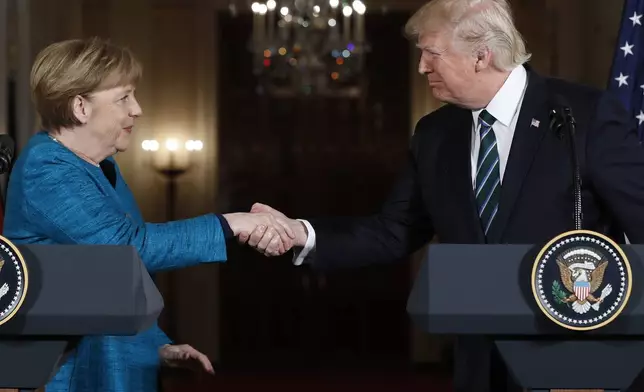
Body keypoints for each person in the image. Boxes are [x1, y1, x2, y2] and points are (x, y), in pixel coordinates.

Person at [239, 0, 644, 391]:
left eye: (431, 53)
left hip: (577, 361)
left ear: (481, 56)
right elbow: (394, 231)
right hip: (479, 364)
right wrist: (301, 234)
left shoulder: (585, 116)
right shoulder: (435, 134)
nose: (421, 66)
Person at [2, 37, 294, 392]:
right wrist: (231, 223)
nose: (137, 109)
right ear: (80, 107)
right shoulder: (46, 168)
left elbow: (118, 282)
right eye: (124, 97)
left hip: (106, 362)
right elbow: (127, 251)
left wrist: (157, 347)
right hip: (66, 377)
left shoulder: (101, 166)